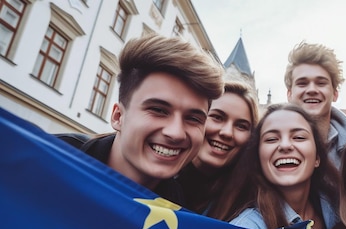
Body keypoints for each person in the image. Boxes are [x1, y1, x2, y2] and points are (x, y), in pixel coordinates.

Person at [57, 34, 224, 204]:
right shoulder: (47, 163)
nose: (176, 133)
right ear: (118, 116)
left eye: (194, 119)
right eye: (158, 110)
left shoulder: (186, 217)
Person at [176, 76, 259, 214]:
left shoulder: (249, 203)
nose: (227, 133)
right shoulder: (155, 177)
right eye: (217, 117)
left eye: (241, 126)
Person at [284, 42, 346, 168]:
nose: (312, 90)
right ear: (289, 94)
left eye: (321, 83)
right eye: (302, 83)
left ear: (335, 94)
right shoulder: (270, 146)